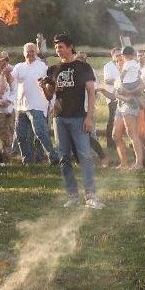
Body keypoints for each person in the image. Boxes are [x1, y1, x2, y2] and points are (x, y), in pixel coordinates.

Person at [42, 34, 102, 208]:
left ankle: (90, 196)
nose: (57, 50)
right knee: (64, 158)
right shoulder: (53, 70)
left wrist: (89, 116)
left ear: (70, 47)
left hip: (78, 117)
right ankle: (73, 195)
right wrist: (43, 87)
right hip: (59, 118)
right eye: (56, 47)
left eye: (61, 46)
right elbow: (49, 96)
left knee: (85, 156)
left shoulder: (83, 67)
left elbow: (92, 93)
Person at [13, 42, 60, 165]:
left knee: (40, 133)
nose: (30, 54)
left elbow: (51, 85)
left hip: (38, 105)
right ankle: (27, 161)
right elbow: (11, 78)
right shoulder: (19, 67)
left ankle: (53, 158)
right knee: (21, 135)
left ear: (36, 52)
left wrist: (52, 102)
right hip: (21, 106)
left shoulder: (42, 67)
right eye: (27, 51)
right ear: (24, 53)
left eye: (32, 51)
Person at [113, 46, 145, 169]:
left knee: (131, 133)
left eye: (121, 59)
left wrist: (130, 92)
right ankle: (123, 163)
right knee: (115, 135)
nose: (119, 62)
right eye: (117, 60)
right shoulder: (119, 77)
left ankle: (139, 163)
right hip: (120, 105)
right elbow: (115, 94)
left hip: (130, 104)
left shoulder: (132, 72)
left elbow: (142, 86)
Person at [0, 52, 17, 162]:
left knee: (7, 135)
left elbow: (15, 90)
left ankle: (6, 159)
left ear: (7, 60)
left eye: (3, 60)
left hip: (8, 109)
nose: (1, 63)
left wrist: (9, 101)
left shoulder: (12, 71)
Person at [100, 47, 122, 156]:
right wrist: (120, 81)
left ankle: (119, 140)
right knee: (112, 119)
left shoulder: (123, 64)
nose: (119, 56)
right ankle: (110, 143)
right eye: (117, 55)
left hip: (122, 96)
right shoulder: (108, 66)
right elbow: (107, 80)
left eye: (120, 54)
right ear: (112, 56)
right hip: (112, 96)